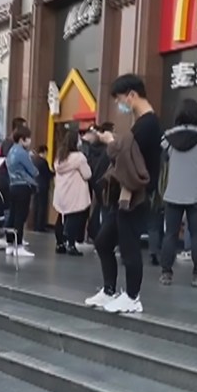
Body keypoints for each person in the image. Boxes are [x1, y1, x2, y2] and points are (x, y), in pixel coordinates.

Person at [86, 75, 162, 314]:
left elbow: (128, 158)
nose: (121, 104)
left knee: (129, 247)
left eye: (120, 99)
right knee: (103, 241)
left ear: (131, 95)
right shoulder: (141, 122)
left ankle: (132, 297)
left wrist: (111, 143)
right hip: (124, 194)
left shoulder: (148, 124)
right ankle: (109, 290)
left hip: (135, 194)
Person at [159, 99, 197, 288]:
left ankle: (166, 273)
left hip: (173, 193)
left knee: (170, 235)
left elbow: (163, 163)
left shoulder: (167, 138)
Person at [53, 128, 92, 256]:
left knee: (61, 217)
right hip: (75, 193)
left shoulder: (60, 157)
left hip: (61, 193)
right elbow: (87, 174)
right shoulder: (79, 158)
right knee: (75, 219)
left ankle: (60, 243)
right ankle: (71, 244)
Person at [5, 126, 39, 258]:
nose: (30, 141)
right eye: (28, 138)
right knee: (20, 216)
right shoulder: (22, 153)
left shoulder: (11, 151)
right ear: (22, 139)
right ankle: (18, 245)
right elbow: (33, 171)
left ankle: (10, 244)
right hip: (23, 187)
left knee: (12, 215)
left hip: (12, 186)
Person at [85, 125, 114, 242]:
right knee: (106, 211)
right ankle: (102, 238)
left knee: (96, 209)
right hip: (106, 183)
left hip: (94, 181)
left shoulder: (88, 149)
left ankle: (92, 234)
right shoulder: (108, 150)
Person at [33, 145, 54, 232]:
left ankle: (35, 225)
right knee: (42, 207)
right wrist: (54, 173)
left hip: (35, 185)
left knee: (36, 206)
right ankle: (40, 226)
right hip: (43, 186)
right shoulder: (43, 162)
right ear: (45, 152)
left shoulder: (34, 160)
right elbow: (47, 174)